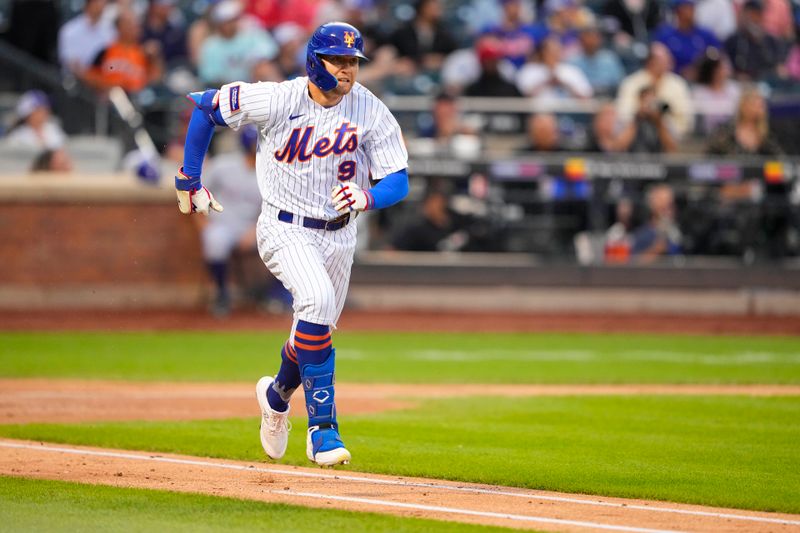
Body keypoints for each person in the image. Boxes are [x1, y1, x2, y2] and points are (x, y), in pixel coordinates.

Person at [175, 22, 408, 467]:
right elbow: (206, 107)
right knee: (317, 303)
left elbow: (399, 178)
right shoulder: (279, 97)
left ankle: (277, 395)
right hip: (285, 227)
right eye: (337, 60)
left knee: (314, 330)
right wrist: (188, 177)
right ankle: (324, 430)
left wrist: (370, 195)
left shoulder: (371, 109)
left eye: (353, 62)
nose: (347, 70)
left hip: (341, 233)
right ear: (313, 61)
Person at [196, 126, 263, 317]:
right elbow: (198, 194)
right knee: (215, 240)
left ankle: (272, 294)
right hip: (221, 224)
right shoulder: (223, 165)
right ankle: (221, 293)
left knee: (282, 242)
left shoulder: (270, 171)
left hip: (253, 227)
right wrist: (203, 223)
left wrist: (255, 230)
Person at [615, 42, 694, 139]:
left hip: (671, 133)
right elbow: (623, 112)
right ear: (650, 61)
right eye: (661, 60)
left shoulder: (678, 84)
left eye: (668, 59)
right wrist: (641, 111)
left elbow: (685, 117)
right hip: (636, 131)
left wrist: (661, 118)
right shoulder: (631, 82)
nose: (667, 63)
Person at [82, 10, 164, 94]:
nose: (134, 27)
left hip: (135, 100)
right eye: (129, 24)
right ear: (119, 27)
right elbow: (90, 76)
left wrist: (155, 58)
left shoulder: (144, 53)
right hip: (110, 99)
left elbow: (155, 81)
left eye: (136, 24)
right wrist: (106, 85)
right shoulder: (106, 51)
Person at [197, 0, 278, 85]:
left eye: (233, 20)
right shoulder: (210, 46)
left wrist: (255, 59)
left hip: (252, 80)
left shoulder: (250, 33)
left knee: (265, 69)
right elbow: (208, 75)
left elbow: (271, 49)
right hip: (225, 87)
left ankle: (280, 95)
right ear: (219, 25)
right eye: (227, 22)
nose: (230, 25)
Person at [651, 0, 719, 78]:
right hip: (673, 78)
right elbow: (657, 60)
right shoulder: (664, 35)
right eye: (687, 8)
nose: (691, 12)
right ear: (678, 11)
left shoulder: (705, 34)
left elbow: (717, 55)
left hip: (702, 80)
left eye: (692, 8)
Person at [706, 88, 783, 156]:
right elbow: (710, 157)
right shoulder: (725, 131)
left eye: (762, 105)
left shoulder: (768, 134)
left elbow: (779, 159)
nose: (761, 108)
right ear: (744, 106)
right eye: (755, 105)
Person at [724, 0, 785, 82]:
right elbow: (727, 69)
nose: (754, 19)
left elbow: (779, 67)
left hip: (769, 83)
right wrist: (736, 76)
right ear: (743, 14)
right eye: (751, 14)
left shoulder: (770, 40)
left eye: (757, 15)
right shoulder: (733, 41)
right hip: (742, 85)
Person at [516, 35, 593, 99]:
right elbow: (525, 96)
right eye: (550, 51)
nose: (553, 54)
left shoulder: (572, 70)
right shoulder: (529, 69)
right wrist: (546, 82)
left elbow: (585, 96)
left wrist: (564, 84)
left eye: (556, 50)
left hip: (569, 113)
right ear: (542, 52)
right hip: (538, 113)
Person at [568, 18, 625, 97]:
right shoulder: (572, 61)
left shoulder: (610, 59)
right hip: (580, 101)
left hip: (607, 98)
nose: (591, 41)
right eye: (588, 37)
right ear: (581, 40)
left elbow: (620, 84)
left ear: (600, 39)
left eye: (594, 37)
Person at [57, 0, 116, 76]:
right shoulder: (69, 30)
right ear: (88, 5)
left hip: (101, 80)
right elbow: (69, 63)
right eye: (97, 3)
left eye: (103, 4)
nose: (100, 7)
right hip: (73, 81)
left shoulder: (110, 32)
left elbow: (112, 64)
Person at [616, 85, 678, 153]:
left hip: (658, 161)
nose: (649, 106)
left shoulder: (665, 122)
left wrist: (659, 123)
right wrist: (637, 119)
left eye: (652, 101)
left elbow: (672, 148)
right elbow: (619, 146)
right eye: (646, 101)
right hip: (632, 161)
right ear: (639, 101)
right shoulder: (628, 119)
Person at [691, 49, 740, 135]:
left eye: (726, 67)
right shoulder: (698, 93)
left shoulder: (734, 90)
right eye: (721, 68)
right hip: (706, 136)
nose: (726, 70)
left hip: (731, 135)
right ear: (712, 71)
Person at [5, 90, 69, 153]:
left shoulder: (53, 129)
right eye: (40, 110)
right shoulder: (17, 136)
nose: (46, 112)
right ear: (28, 114)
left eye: (46, 108)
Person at [631, 184, 681, 263]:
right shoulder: (642, 234)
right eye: (664, 206)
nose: (668, 211)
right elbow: (633, 264)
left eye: (670, 205)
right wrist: (657, 249)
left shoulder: (678, 233)